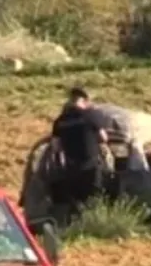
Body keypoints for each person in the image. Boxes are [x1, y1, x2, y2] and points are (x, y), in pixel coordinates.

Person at [48, 86, 111, 223]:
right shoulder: (91, 115)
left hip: (72, 167)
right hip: (91, 165)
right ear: (85, 100)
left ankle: (77, 224)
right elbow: (104, 138)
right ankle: (95, 224)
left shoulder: (60, 120)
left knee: (76, 200)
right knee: (94, 198)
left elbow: (55, 146)